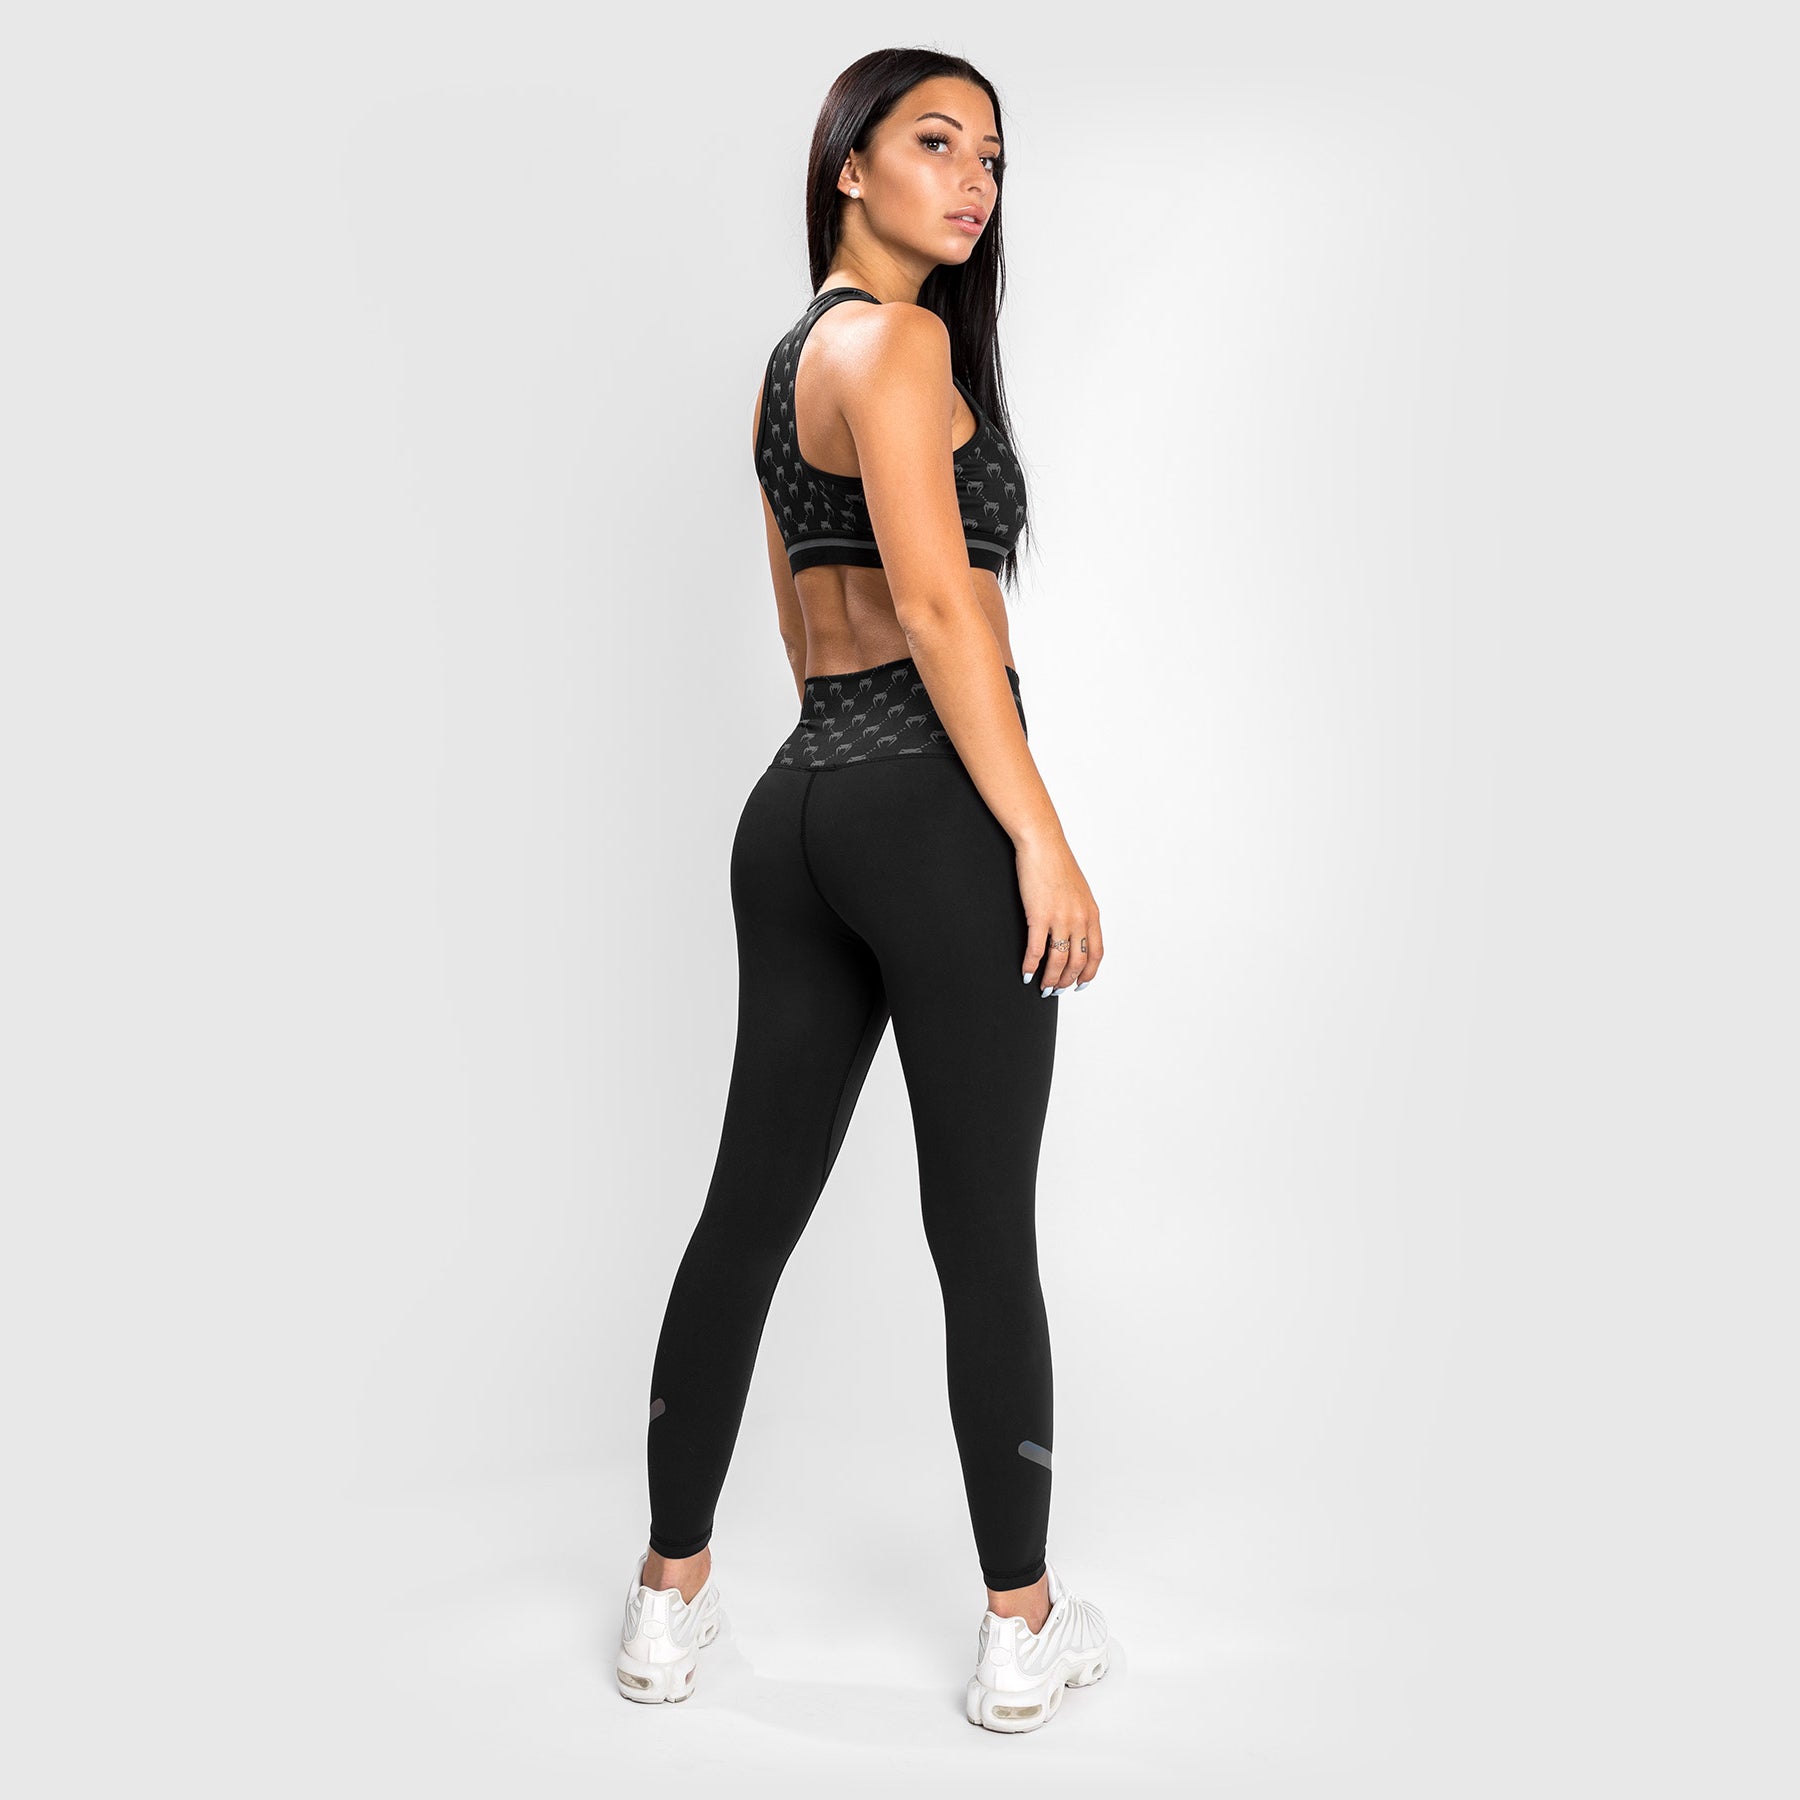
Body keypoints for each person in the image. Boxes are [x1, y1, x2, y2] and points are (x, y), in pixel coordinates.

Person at [613, 49, 1112, 1734]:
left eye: (993, 157)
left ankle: (667, 1598)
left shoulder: (787, 368)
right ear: (849, 164)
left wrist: (866, 786)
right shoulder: (896, 346)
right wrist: (1034, 832)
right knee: (983, 1232)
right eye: (934, 143)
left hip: (800, 806)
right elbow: (946, 608)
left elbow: (800, 617)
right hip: (929, 811)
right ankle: (1023, 1625)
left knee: (746, 1213)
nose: (973, 180)